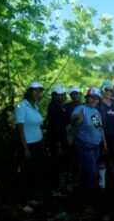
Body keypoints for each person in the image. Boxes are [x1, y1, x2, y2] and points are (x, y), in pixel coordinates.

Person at [71, 87, 107, 208]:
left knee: (88, 172)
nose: (94, 100)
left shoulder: (96, 112)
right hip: (84, 146)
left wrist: (104, 142)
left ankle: (85, 194)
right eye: (92, 97)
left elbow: (98, 127)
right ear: (87, 98)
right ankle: (86, 200)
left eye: (96, 98)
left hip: (96, 146)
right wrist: (79, 118)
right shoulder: (80, 109)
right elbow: (73, 123)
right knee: (92, 174)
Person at [14, 82, 45, 213]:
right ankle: (22, 203)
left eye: (40, 91)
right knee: (26, 173)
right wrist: (25, 148)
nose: (38, 94)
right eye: (35, 91)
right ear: (29, 91)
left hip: (37, 144)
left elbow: (35, 124)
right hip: (28, 146)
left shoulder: (35, 106)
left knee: (35, 173)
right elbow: (19, 129)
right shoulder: (21, 106)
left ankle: (31, 198)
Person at [97, 81, 114, 189]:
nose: (108, 92)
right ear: (102, 90)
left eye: (111, 90)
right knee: (101, 158)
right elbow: (95, 120)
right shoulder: (98, 103)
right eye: (106, 90)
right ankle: (102, 181)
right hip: (102, 136)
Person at [46, 84, 69, 196]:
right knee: (56, 165)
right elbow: (56, 128)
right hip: (56, 141)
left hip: (59, 139)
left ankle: (58, 187)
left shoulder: (59, 106)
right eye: (60, 95)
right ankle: (55, 189)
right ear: (54, 95)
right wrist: (59, 145)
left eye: (64, 94)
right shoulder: (54, 108)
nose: (63, 96)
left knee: (59, 165)